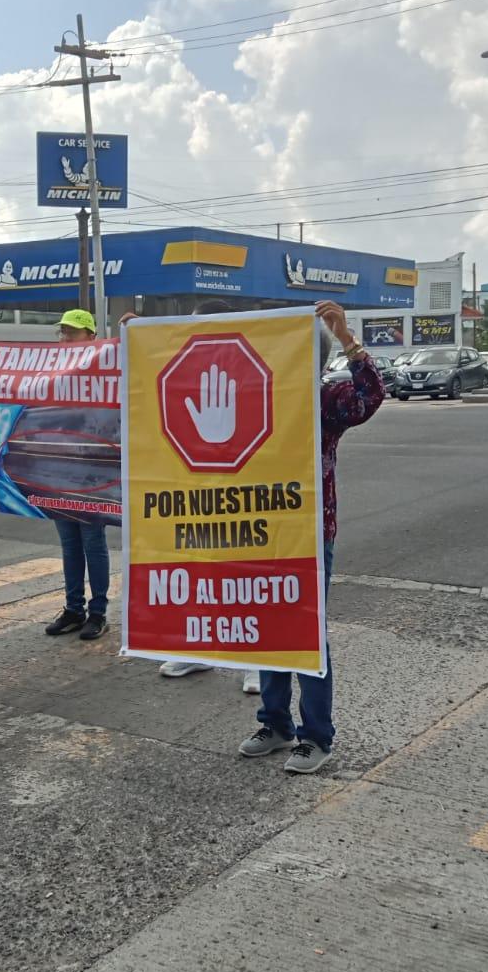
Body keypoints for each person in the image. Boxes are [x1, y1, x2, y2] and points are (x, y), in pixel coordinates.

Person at [239, 299, 385, 774]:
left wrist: (346, 337)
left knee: (303, 633)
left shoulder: (325, 401)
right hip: (259, 534)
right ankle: (276, 724)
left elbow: (370, 396)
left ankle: (317, 736)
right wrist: (144, 342)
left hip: (308, 536)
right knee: (268, 632)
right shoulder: (255, 396)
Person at [130, 300, 263, 695]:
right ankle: (200, 649)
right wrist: (139, 336)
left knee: (249, 578)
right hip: (195, 495)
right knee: (202, 576)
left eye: (197, 324)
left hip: (246, 498)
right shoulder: (185, 367)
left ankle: (258, 660)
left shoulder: (251, 365)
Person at [43, 308, 112, 641]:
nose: (64, 338)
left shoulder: (107, 367)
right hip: (59, 470)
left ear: (91, 337)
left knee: (92, 543)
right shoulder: (51, 370)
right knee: (69, 545)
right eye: (62, 332)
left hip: (92, 473)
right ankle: (73, 609)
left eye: (72, 332)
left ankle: (97, 613)